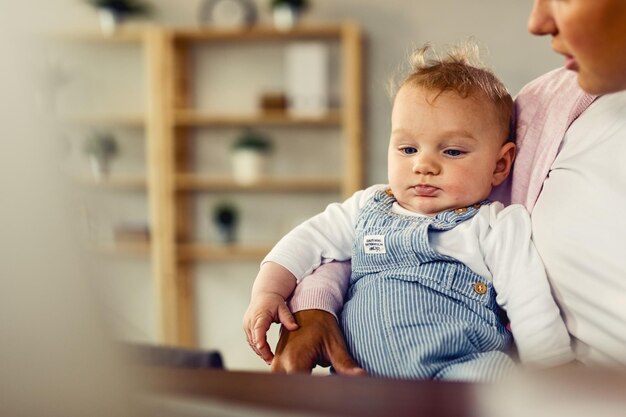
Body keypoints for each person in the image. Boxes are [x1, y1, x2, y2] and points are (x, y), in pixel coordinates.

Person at [254, 0, 626, 374]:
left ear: (500, 165)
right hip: (363, 377)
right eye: (407, 148)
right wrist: (270, 292)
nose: (424, 165)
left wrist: (552, 377)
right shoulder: (369, 206)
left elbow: (530, 305)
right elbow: (308, 243)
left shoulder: (497, 227)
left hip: (462, 369)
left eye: (452, 151)